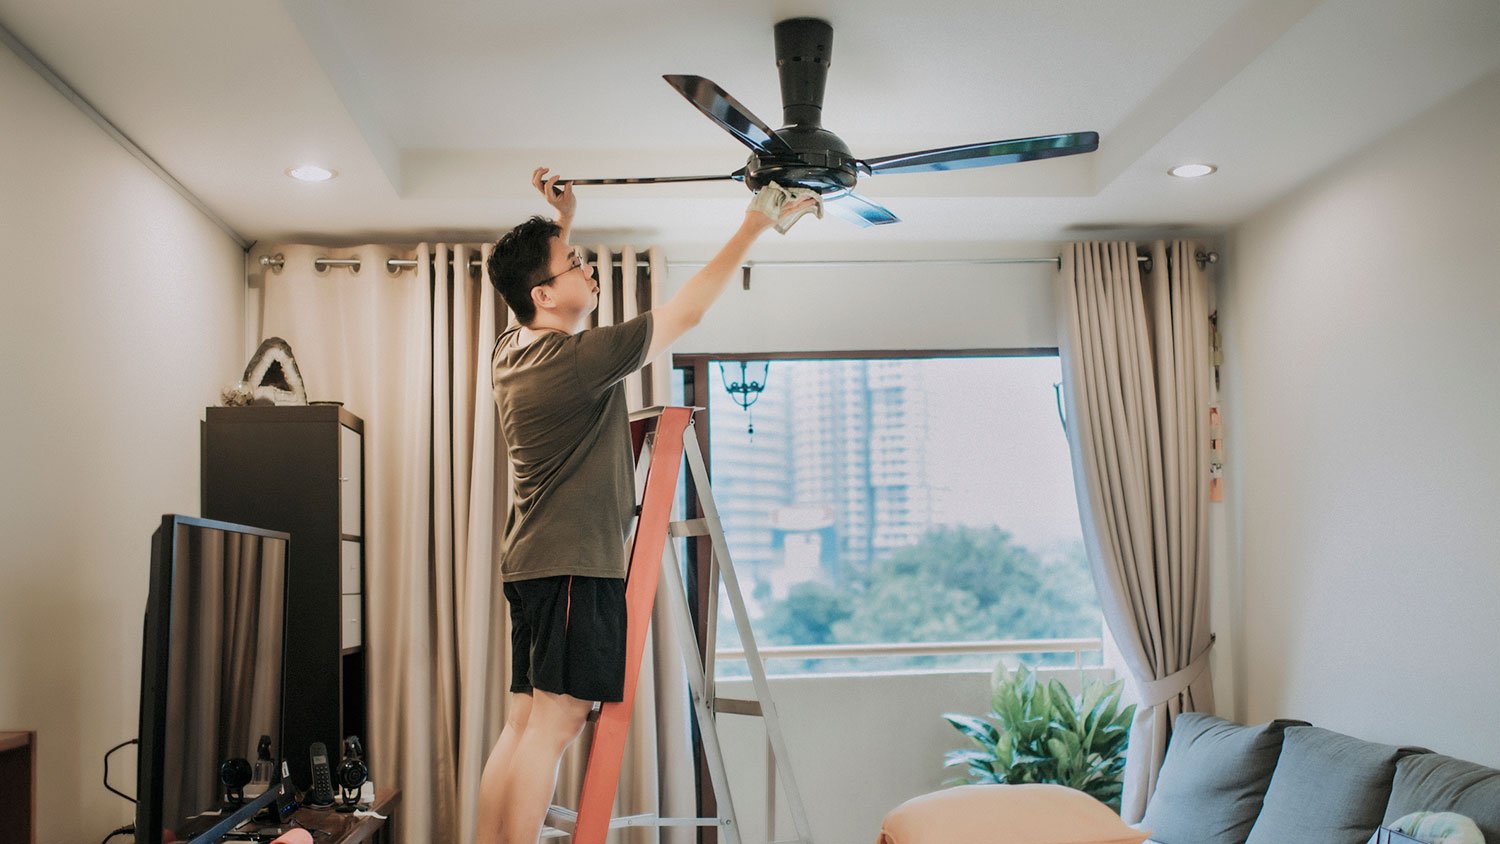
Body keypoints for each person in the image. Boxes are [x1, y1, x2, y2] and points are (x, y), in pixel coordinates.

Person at [473, 167, 816, 844]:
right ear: (544, 293)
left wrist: (561, 224)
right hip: (572, 563)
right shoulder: (573, 360)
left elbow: (539, 286)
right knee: (556, 725)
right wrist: (754, 222)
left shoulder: (511, 349)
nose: (587, 267)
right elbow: (685, 313)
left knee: (523, 725)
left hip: (531, 563)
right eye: (575, 263)